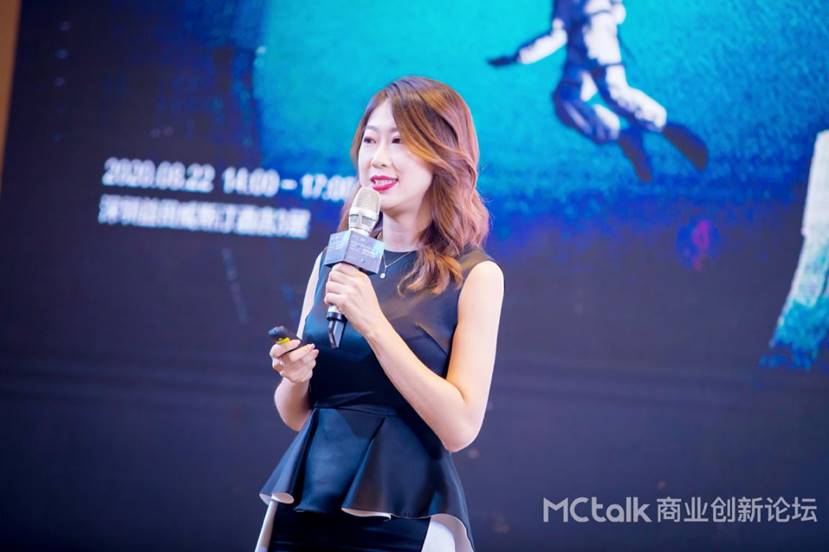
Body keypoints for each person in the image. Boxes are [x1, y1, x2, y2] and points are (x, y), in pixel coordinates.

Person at [256, 76, 505, 552]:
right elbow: (296, 414)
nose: (378, 159)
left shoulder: (474, 275)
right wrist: (294, 375)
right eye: (370, 141)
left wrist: (373, 323)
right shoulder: (334, 260)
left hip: (400, 516)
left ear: (442, 155)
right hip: (305, 507)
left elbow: (459, 427)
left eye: (400, 141)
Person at [488, 0, 708, 182]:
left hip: (597, 36)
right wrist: (519, 56)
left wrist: (605, 16)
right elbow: (558, 33)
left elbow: (616, 11)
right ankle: (622, 135)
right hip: (579, 45)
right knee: (565, 100)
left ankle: (671, 130)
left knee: (614, 92)